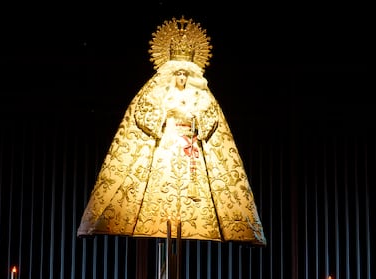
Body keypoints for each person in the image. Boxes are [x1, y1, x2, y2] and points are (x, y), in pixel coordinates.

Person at [77, 16, 266, 246]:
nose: (182, 78)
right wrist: (165, 117)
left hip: (191, 153)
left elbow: (211, 118)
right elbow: (144, 113)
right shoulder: (157, 92)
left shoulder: (200, 95)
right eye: (178, 74)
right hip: (165, 151)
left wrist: (196, 121)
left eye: (185, 74)